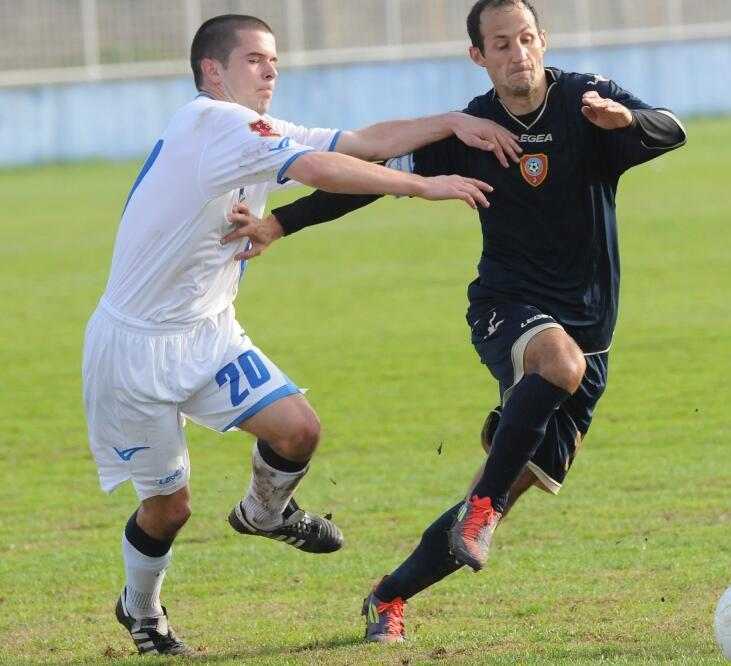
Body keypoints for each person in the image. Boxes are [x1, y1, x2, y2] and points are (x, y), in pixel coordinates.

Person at [222, 0, 687, 644]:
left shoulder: (588, 101)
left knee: (506, 476)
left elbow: (672, 129)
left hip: (593, 335)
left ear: (543, 41)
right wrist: (280, 221)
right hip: (507, 307)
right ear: (480, 56)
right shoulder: (473, 130)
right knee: (557, 368)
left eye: (526, 39)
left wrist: (625, 120)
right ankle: (486, 501)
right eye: (501, 44)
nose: (517, 54)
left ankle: (388, 595)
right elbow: (369, 177)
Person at [82, 13, 522, 656]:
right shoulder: (213, 122)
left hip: (206, 334)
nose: (271, 70)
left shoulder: (253, 129)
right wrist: (422, 184)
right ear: (213, 71)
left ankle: (263, 514)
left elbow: (363, 140)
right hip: (133, 352)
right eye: (256, 59)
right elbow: (321, 168)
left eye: (275, 59)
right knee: (169, 511)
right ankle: (141, 609)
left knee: (298, 430)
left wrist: (452, 122)